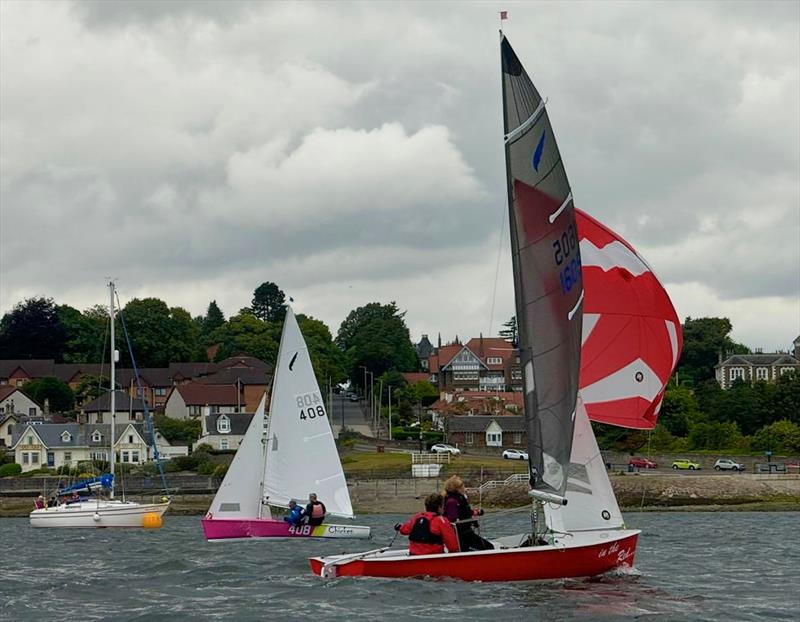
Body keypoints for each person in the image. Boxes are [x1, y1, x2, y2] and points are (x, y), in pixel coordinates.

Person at [395, 493, 460, 556]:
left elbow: (404, 530)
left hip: (414, 556)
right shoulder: (441, 520)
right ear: (440, 507)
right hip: (433, 558)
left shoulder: (417, 517)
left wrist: (399, 527)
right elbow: (452, 545)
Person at [443, 475, 494, 551]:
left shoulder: (460, 499)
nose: (464, 488)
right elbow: (452, 519)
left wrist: (476, 513)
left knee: (488, 546)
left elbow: (465, 512)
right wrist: (470, 521)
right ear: (457, 489)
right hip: (461, 535)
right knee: (488, 547)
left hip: (467, 532)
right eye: (462, 486)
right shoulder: (452, 502)